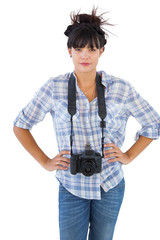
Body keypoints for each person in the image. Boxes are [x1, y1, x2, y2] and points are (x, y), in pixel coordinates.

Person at [13, 7, 160, 240]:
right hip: (71, 185)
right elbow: (20, 125)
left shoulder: (120, 88)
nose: (85, 56)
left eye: (91, 49)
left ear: (101, 51)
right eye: (79, 49)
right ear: (69, 50)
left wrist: (129, 156)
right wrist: (45, 162)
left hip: (110, 183)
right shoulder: (55, 88)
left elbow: (154, 124)